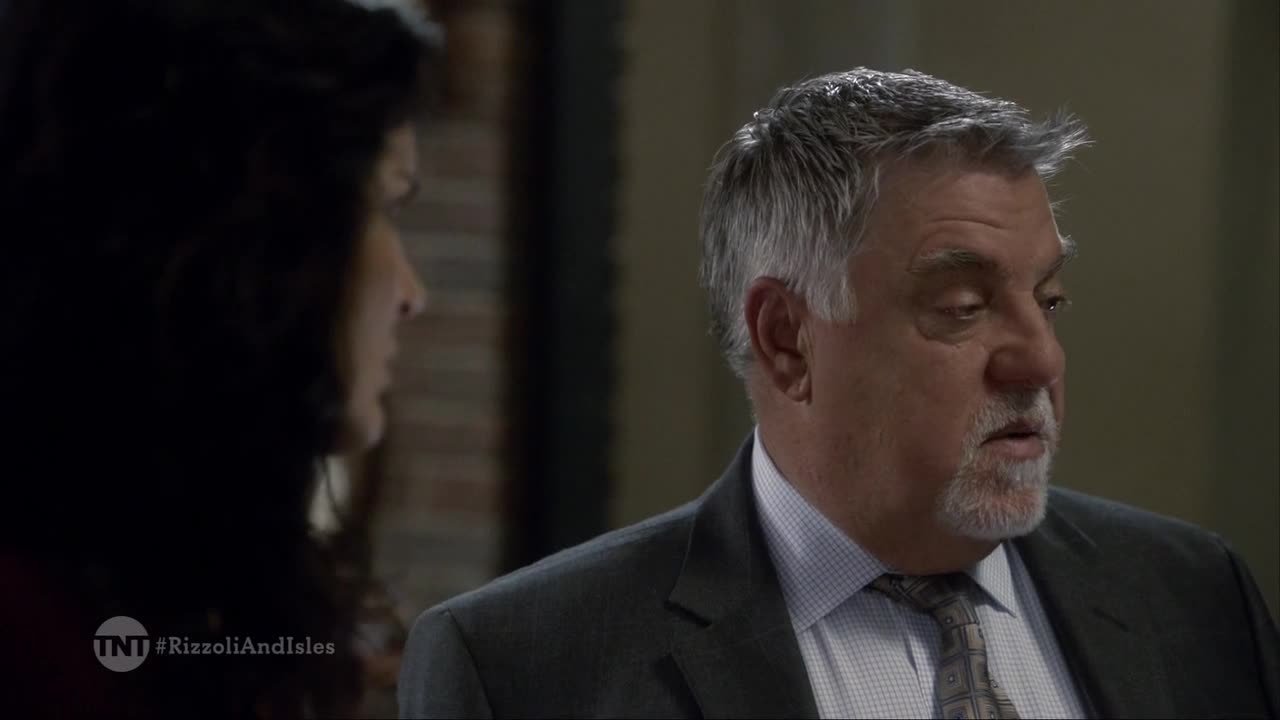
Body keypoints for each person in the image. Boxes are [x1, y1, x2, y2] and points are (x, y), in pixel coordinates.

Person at [399, 67, 1280, 719]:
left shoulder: (1194, 596)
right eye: (963, 308)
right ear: (787, 339)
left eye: (1048, 301)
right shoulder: (523, 668)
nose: (1039, 359)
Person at [0, 0, 439, 717]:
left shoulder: (175, 600)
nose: (412, 294)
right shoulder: (41, 644)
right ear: (261, 237)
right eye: (384, 206)